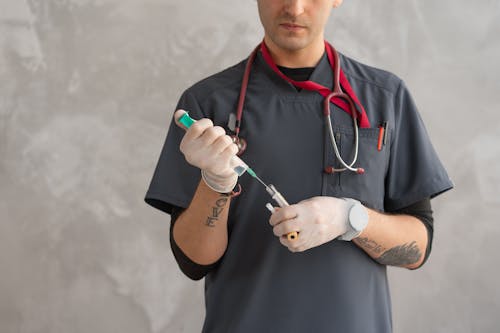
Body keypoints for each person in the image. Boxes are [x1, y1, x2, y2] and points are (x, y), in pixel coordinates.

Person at [145, 1, 453, 332]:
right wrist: (215, 182)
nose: (295, 7)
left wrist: (350, 218)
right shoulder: (208, 105)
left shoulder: (386, 98)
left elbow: (417, 249)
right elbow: (194, 261)